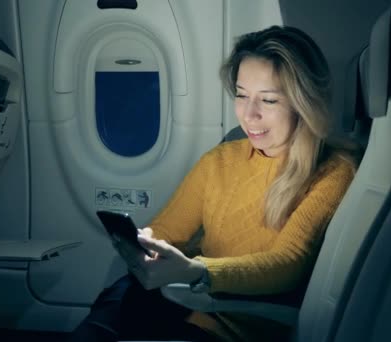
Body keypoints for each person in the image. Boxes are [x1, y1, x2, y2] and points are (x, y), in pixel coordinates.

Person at [69, 25, 358, 342]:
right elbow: (168, 228)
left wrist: (197, 271)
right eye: (242, 95)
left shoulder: (333, 170)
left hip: (234, 321)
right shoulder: (220, 160)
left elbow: (287, 263)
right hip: (180, 298)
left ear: (304, 102)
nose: (249, 115)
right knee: (104, 317)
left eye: (269, 101)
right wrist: (148, 247)